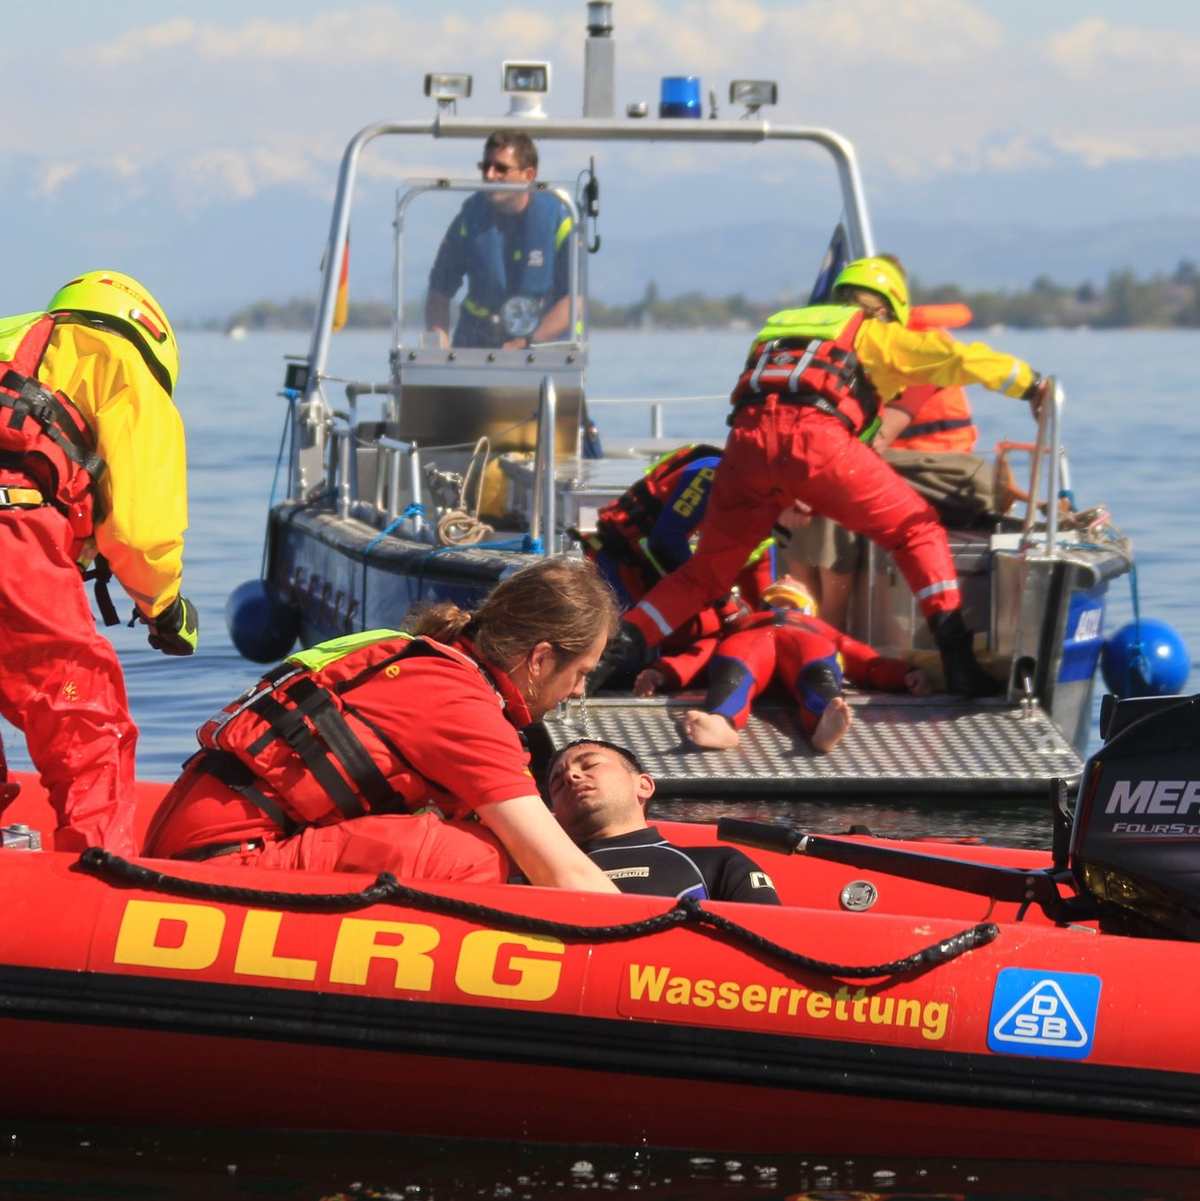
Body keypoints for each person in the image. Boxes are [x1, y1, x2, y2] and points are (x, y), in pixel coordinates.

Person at [596, 255, 1050, 698]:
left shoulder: (777, 330)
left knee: (703, 577)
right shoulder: (875, 334)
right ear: (888, 309)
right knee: (917, 531)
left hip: (746, 448)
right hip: (818, 444)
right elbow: (965, 359)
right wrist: (1032, 385)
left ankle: (607, 659)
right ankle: (959, 659)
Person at [144, 559, 621, 893]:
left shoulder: (429, 658)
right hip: (220, 866)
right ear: (539, 659)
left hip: (201, 839)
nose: (579, 692)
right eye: (581, 673)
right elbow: (560, 872)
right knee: (477, 856)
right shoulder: (460, 705)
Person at [0, 271, 195, 856]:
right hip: (16, 538)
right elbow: (140, 528)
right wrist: (163, 607)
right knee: (82, 717)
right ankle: (102, 872)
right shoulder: (123, 365)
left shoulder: (10, 336)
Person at [634, 577, 931, 754]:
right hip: (749, 645)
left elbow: (867, 661)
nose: (786, 575)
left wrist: (904, 674)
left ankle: (823, 723)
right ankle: (721, 722)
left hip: (806, 646)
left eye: (793, 581)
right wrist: (661, 673)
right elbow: (700, 654)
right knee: (731, 672)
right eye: (780, 581)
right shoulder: (740, 626)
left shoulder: (819, 628)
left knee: (818, 674)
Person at [580, 442, 785, 668]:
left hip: (674, 582)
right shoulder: (710, 475)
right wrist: (723, 601)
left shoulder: (767, 520)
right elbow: (664, 543)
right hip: (620, 565)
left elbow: (763, 596)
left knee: (721, 637)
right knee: (623, 661)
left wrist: (768, 630)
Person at [547, 738, 781, 904]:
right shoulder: (534, 873)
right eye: (557, 784)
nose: (570, 776)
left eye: (590, 765)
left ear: (644, 785)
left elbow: (772, 947)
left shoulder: (719, 866)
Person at [425, 130, 573, 350]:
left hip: (543, 353)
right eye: (486, 167)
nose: (490, 175)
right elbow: (439, 289)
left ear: (528, 175)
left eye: (501, 168)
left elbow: (574, 301)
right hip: (477, 346)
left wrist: (526, 344)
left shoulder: (558, 222)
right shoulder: (470, 219)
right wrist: (440, 342)